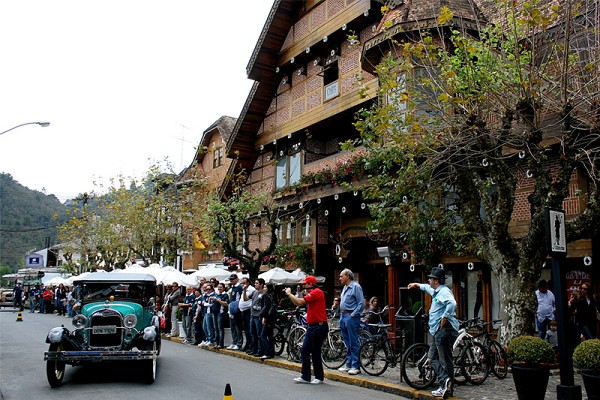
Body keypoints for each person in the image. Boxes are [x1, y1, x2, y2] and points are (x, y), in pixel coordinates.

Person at [408, 267, 459, 399]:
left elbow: (452, 303)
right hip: (438, 331)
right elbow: (427, 288)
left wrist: (445, 317)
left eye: (431, 278)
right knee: (434, 357)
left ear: (436, 280)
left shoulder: (444, 291)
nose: (429, 280)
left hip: (444, 330)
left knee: (444, 359)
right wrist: (416, 285)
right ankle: (446, 385)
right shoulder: (437, 291)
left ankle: (445, 382)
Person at [285, 276, 328, 384]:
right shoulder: (312, 293)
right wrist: (296, 294)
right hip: (312, 326)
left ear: (311, 284)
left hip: (319, 326)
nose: (304, 286)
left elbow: (300, 302)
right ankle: (306, 376)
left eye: (305, 284)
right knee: (305, 350)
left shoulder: (317, 292)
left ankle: (319, 376)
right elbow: (299, 301)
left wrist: (289, 294)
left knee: (315, 351)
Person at [338, 268, 365, 375]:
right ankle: (349, 363)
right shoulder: (345, 287)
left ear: (347, 276)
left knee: (353, 341)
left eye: (341, 276)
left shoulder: (356, 287)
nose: (340, 278)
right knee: (347, 342)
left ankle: (355, 365)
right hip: (343, 315)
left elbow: (361, 303)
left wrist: (353, 314)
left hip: (350, 316)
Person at [259, 283, 276, 360]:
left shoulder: (267, 296)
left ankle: (267, 352)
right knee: (270, 336)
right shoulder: (272, 296)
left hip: (268, 318)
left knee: (263, 335)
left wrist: (263, 317)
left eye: (265, 287)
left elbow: (266, 308)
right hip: (271, 318)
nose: (264, 288)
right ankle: (271, 352)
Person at [248, 278, 265, 356]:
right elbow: (246, 298)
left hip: (258, 316)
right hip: (252, 315)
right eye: (255, 283)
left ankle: (260, 350)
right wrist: (244, 291)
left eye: (257, 283)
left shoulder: (263, 293)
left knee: (259, 334)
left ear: (261, 285)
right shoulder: (254, 292)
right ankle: (254, 349)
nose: (255, 284)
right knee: (252, 333)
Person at [227, 274, 244, 350]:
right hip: (232, 307)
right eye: (230, 280)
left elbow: (240, 298)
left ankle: (239, 343)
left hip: (237, 308)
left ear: (237, 279)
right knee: (233, 327)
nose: (231, 281)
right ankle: (234, 341)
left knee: (237, 327)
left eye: (233, 279)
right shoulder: (232, 287)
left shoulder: (239, 287)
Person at [240, 277, 256, 352]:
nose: (242, 284)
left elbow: (248, 300)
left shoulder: (252, 290)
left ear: (248, 283)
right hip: (243, 311)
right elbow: (244, 299)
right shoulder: (244, 289)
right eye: (242, 283)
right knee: (246, 329)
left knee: (250, 329)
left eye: (244, 283)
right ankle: (247, 343)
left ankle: (251, 345)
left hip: (248, 311)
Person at [213, 282, 229, 349]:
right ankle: (216, 343)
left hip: (220, 312)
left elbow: (225, 304)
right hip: (215, 312)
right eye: (218, 287)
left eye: (221, 287)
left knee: (220, 328)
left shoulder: (225, 295)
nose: (219, 289)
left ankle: (220, 343)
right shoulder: (216, 294)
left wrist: (218, 300)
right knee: (216, 328)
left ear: (224, 288)